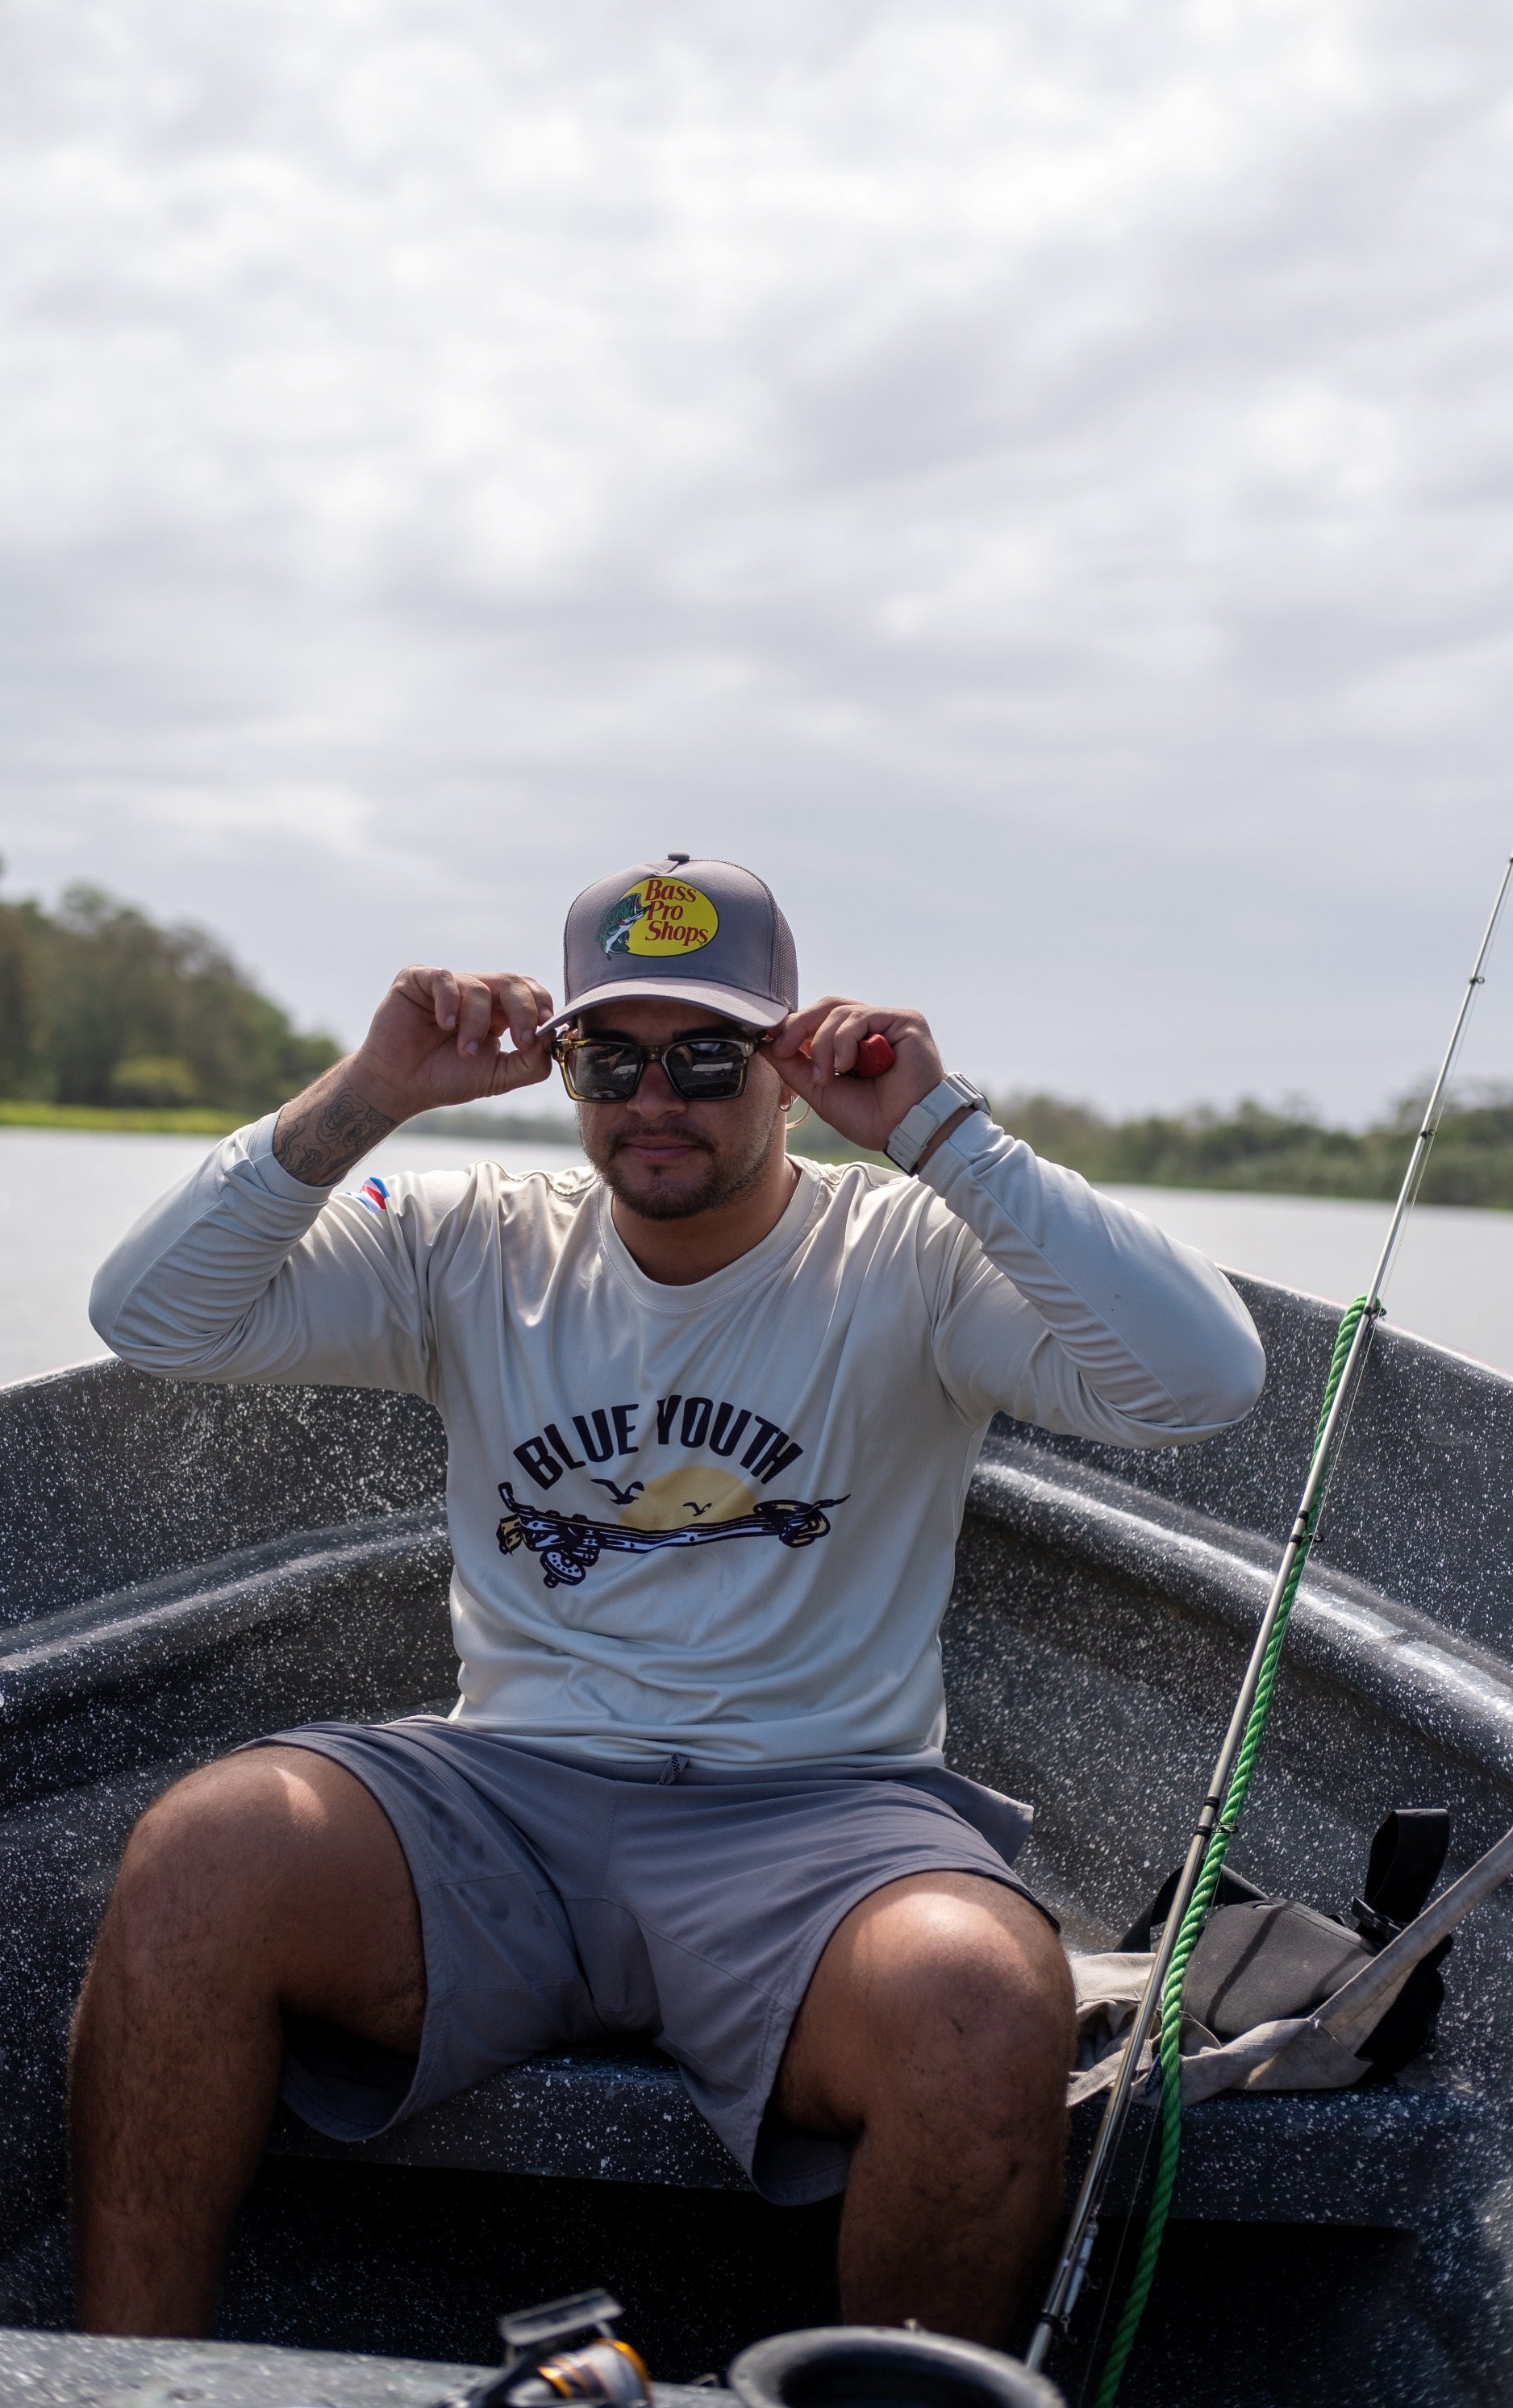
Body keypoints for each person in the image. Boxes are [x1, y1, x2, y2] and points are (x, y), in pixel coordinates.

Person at [77, 856, 1265, 2348]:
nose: (656, 1097)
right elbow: (151, 1315)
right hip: (503, 1800)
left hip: (821, 1823)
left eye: (708, 1056)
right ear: (562, 1067)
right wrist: (370, 1093)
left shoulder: (910, 1255)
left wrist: (943, 1134)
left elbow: (1205, 1382)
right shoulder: (468, 1236)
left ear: (789, 1067)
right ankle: (124, 2384)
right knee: (202, 1856)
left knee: (981, 1997)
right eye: (610, 1057)